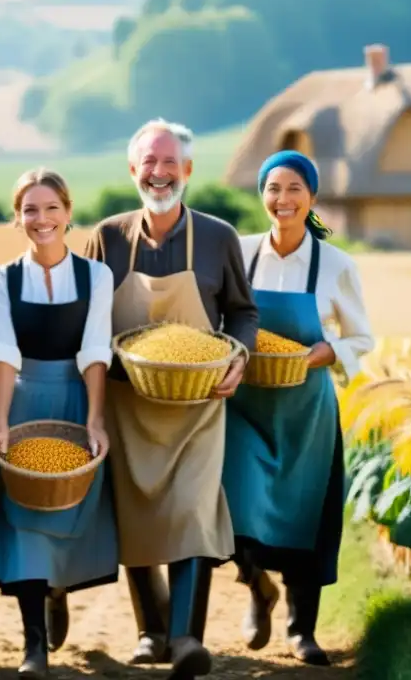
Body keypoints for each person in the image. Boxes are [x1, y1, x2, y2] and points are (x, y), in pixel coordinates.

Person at [83, 120, 259, 679]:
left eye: (168, 163)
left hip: (198, 403)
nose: (158, 173)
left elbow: (244, 312)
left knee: (191, 513)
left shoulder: (217, 237)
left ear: (187, 170)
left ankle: (185, 637)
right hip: (127, 403)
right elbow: (89, 320)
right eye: (147, 163)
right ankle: (148, 631)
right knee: (136, 516)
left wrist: (240, 357)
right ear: (133, 171)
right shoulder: (107, 237)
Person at [0, 168, 119, 679]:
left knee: (65, 513)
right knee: (22, 521)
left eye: (51, 208)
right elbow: (4, 356)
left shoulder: (95, 276)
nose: (41, 218)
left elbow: (96, 351)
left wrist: (96, 420)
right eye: (30, 209)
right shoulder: (0, 280)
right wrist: (0, 423)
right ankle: (33, 643)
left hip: (75, 400)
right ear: (18, 218)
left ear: (69, 213)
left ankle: (57, 591)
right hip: (23, 399)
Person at [224, 150, 374, 666]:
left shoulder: (336, 263)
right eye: (272, 189)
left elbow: (361, 337)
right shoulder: (238, 253)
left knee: (305, 512)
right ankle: (256, 588)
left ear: (311, 198)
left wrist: (322, 354)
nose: (281, 200)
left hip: (306, 409)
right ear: (261, 195)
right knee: (238, 500)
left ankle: (300, 629)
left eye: (293, 189)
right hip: (244, 404)